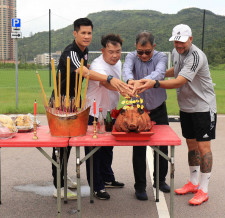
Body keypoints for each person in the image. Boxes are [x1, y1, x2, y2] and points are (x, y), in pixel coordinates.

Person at [50, 18, 131, 200]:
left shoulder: (83, 51)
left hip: (74, 102)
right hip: (61, 103)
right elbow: (84, 72)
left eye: (89, 33)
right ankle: (58, 186)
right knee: (61, 146)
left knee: (69, 144)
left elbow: (86, 69)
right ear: (75, 33)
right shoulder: (70, 52)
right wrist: (109, 79)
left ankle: (62, 177)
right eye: (83, 33)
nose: (87, 36)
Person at [137, 24, 217, 206]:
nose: (178, 45)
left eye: (181, 42)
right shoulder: (176, 53)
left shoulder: (196, 56)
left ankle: (203, 190)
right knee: (191, 145)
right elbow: (176, 71)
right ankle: (193, 182)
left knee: (204, 148)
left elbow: (180, 80)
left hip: (203, 107)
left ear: (190, 39)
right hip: (187, 107)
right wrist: (156, 75)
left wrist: (154, 83)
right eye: (176, 42)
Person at [122, 31, 170, 201]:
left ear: (154, 47)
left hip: (158, 108)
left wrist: (139, 81)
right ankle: (140, 186)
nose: (143, 55)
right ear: (136, 48)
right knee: (139, 149)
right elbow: (126, 72)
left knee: (162, 147)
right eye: (140, 52)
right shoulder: (130, 56)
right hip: (137, 110)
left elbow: (159, 74)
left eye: (147, 52)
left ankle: (160, 180)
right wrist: (130, 81)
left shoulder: (161, 57)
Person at [84, 34, 126, 200]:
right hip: (95, 114)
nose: (115, 55)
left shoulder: (119, 63)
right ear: (103, 51)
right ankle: (97, 186)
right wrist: (125, 89)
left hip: (111, 112)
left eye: (118, 51)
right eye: (111, 52)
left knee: (108, 148)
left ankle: (107, 178)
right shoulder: (97, 64)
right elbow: (105, 83)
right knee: (95, 151)